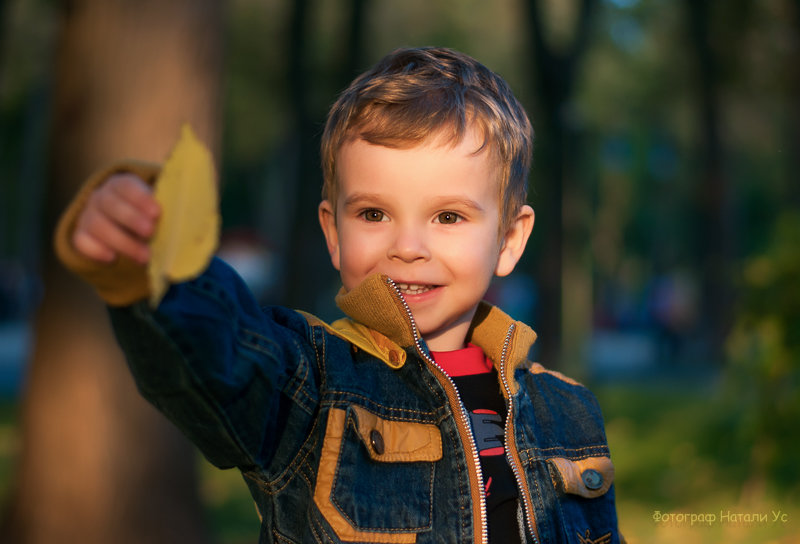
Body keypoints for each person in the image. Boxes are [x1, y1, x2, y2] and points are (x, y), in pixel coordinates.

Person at [55, 47, 620, 543]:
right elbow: (215, 353)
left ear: (509, 239)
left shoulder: (566, 410)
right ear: (333, 231)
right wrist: (151, 260)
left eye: (448, 216)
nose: (407, 246)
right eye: (373, 213)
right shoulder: (309, 383)